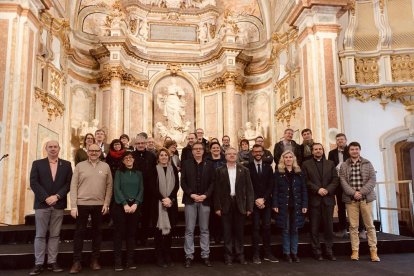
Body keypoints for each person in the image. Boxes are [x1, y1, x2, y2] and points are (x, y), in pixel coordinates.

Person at [29, 141, 73, 275]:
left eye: (55, 147)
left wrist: (57, 196)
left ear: (59, 148)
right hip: (42, 204)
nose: (53, 149)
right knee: (40, 235)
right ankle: (38, 264)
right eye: (50, 147)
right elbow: (33, 182)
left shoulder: (66, 164)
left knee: (55, 235)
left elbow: (69, 183)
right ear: (46, 149)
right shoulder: (37, 163)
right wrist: (46, 197)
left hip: (58, 204)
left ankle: (52, 262)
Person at [69, 143, 112, 274]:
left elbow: (109, 186)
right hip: (82, 204)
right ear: (87, 152)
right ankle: (77, 262)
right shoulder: (79, 166)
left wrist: (106, 203)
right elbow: (73, 186)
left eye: (96, 151)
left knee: (97, 233)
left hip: (99, 205)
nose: (93, 153)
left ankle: (95, 260)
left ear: (100, 152)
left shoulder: (105, 166)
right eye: (91, 151)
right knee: (79, 233)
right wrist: (73, 206)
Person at [339, 142, 380, 262]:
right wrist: (353, 193)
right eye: (352, 149)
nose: (354, 151)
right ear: (349, 151)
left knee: (370, 226)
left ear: (360, 150)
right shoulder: (344, 165)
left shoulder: (367, 163)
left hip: (366, 199)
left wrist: (361, 192)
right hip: (351, 200)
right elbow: (342, 181)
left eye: (356, 149)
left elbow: (372, 179)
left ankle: (373, 252)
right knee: (353, 226)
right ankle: (355, 251)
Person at [214, 147, 254, 265]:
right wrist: (217, 207)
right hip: (225, 204)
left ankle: (240, 255)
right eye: (229, 154)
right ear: (225, 156)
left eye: (234, 154)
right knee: (227, 232)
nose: (231, 155)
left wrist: (249, 207)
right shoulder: (219, 170)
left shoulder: (244, 170)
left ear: (237, 156)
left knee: (239, 232)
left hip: (240, 204)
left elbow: (249, 190)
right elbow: (216, 190)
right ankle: (228, 256)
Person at [302, 143, 338, 261]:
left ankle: (329, 250)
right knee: (314, 227)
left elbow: (335, 180)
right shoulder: (306, 164)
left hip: (328, 200)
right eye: (315, 149)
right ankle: (316, 251)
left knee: (329, 227)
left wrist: (327, 190)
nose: (318, 151)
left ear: (323, 150)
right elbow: (305, 181)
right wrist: (318, 189)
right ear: (312, 152)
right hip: (314, 200)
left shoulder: (330, 163)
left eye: (320, 149)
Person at [181, 142, 215, 268]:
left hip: (205, 200)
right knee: (189, 230)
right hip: (191, 200)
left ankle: (205, 255)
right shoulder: (186, 164)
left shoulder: (210, 164)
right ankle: (189, 256)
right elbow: (183, 182)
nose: (198, 151)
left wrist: (205, 195)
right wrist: (191, 194)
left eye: (200, 149)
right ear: (192, 151)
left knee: (204, 230)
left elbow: (213, 182)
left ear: (203, 150)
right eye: (195, 149)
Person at [272, 150, 308, 263]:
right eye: (286, 157)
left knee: (295, 230)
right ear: (283, 159)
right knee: (286, 230)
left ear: (294, 159)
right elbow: (275, 190)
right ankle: (287, 253)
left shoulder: (299, 173)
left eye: (290, 157)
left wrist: (304, 204)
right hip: (284, 206)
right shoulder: (278, 173)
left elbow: (304, 190)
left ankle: (294, 253)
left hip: (297, 206)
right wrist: (275, 204)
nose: (288, 159)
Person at [113, 152, 144, 271]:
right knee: (119, 234)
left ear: (134, 159)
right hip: (121, 206)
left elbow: (141, 189)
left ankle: (130, 261)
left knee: (131, 234)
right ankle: (118, 262)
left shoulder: (139, 173)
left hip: (135, 206)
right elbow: (117, 189)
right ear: (122, 161)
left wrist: (136, 203)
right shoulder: (119, 173)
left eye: (130, 157)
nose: (128, 159)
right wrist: (125, 204)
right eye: (126, 158)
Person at [248, 144, 277, 264]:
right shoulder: (247, 167)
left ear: (263, 152)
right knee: (255, 228)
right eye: (255, 152)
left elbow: (271, 185)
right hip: (253, 203)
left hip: (266, 203)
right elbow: (247, 186)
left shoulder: (268, 167)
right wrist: (256, 199)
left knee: (267, 227)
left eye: (260, 151)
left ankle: (267, 253)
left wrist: (263, 199)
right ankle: (255, 254)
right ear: (252, 153)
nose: (258, 153)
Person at [152, 148, 179, 267]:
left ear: (169, 157)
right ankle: (159, 257)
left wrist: (170, 198)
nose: (164, 157)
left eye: (166, 155)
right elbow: (152, 187)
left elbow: (177, 185)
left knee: (169, 232)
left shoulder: (173, 168)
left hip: (171, 203)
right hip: (157, 204)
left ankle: (168, 255)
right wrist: (163, 199)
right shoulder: (153, 169)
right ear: (158, 157)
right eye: (161, 155)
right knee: (158, 233)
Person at [133, 135, 157, 246]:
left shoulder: (152, 156)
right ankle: (135, 237)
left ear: (146, 143)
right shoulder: (131, 156)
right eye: (138, 143)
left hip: (148, 190)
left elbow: (154, 172)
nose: (141, 145)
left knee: (146, 215)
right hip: (134, 190)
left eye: (142, 143)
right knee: (135, 215)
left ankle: (144, 238)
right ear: (135, 145)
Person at [328, 133, 350, 238]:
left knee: (354, 206)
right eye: (338, 140)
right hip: (338, 182)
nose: (340, 141)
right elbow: (330, 167)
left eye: (342, 139)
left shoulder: (351, 150)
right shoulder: (331, 153)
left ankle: (361, 229)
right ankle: (343, 229)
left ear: (346, 140)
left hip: (350, 183)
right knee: (341, 207)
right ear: (336, 141)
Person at [205, 141, 226, 244]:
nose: (216, 149)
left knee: (221, 214)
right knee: (211, 215)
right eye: (214, 148)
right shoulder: (207, 160)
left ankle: (221, 235)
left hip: (222, 191)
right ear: (210, 149)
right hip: (211, 191)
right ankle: (212, 236)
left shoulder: (225, 160)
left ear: (220, 149)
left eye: (217, 148)